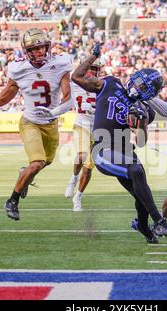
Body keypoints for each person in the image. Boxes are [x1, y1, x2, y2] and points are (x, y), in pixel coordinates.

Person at [0, 28, 73, 220]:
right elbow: (1, 99)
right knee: (37, 162)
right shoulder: (19, 69)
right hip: (30, 122)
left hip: (51, 123)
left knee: (45, 162)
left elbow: (68, 98)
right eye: (35, 48)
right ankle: (12, 200)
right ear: (27, 51)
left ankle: (23, 175)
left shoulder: (60, 64)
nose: (41, 51)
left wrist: (55, 111)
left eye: (43, 47)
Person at [71, 44, 167, 243]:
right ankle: (160, 222)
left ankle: (145, 230)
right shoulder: (111, 83)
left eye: (144, 88)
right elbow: (77, 77)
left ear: (149, 94)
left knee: (141, 195)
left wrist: (142, 120)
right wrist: (92, 56)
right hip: (103, 150)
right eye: (139, 82)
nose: (138, 87)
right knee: (137, 172)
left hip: (126, 152)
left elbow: (143, 141)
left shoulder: (145, 108)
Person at [65, 63, 101, 211]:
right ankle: (73, 179)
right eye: (90, 69)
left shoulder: (102, 88)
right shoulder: (75, 85)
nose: (92, 72)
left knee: (88, 166)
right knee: (83, 156)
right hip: (81, 124)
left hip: (97, 129)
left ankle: (78, 196)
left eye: (95, 69)